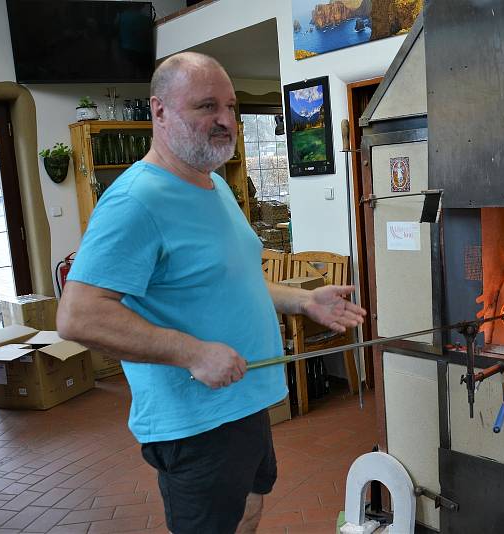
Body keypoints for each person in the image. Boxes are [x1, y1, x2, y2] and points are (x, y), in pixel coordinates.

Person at [57, 52, 366, 534]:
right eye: (206, 106)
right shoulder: (135, 200)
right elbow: (78, 316)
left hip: (244, 400)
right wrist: (192, 352)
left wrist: (301, 301)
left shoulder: (215, 186)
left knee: (248, 509)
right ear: (159, 111)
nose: (226, 120)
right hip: (197, 421)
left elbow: (233, 281)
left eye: (231, 106)